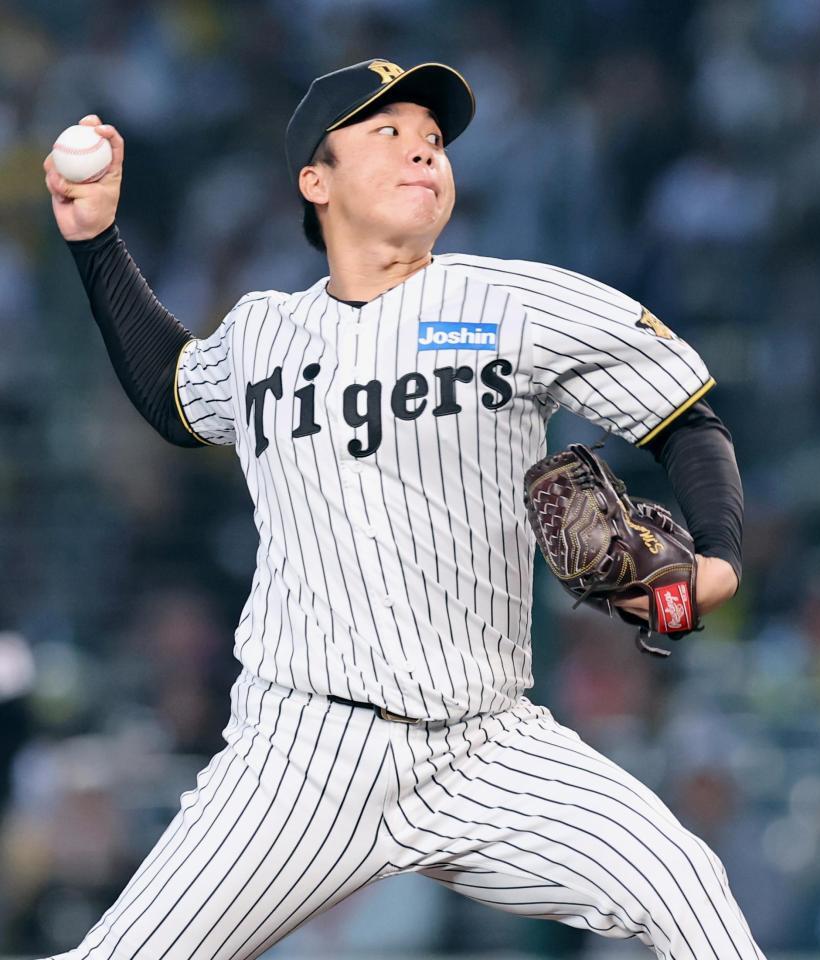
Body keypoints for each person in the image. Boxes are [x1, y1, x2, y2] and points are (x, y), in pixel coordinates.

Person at [42, 58, 763, 959]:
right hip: (300, 755)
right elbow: (173, 393)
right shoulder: (262, 331)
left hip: (487, 746)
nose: (423, 151)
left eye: (432, 140)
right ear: (316, 181)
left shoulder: (515, 302)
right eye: (387, 133)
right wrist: (96, 241)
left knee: (683, 887)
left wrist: (716, 561)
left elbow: (683, 417)